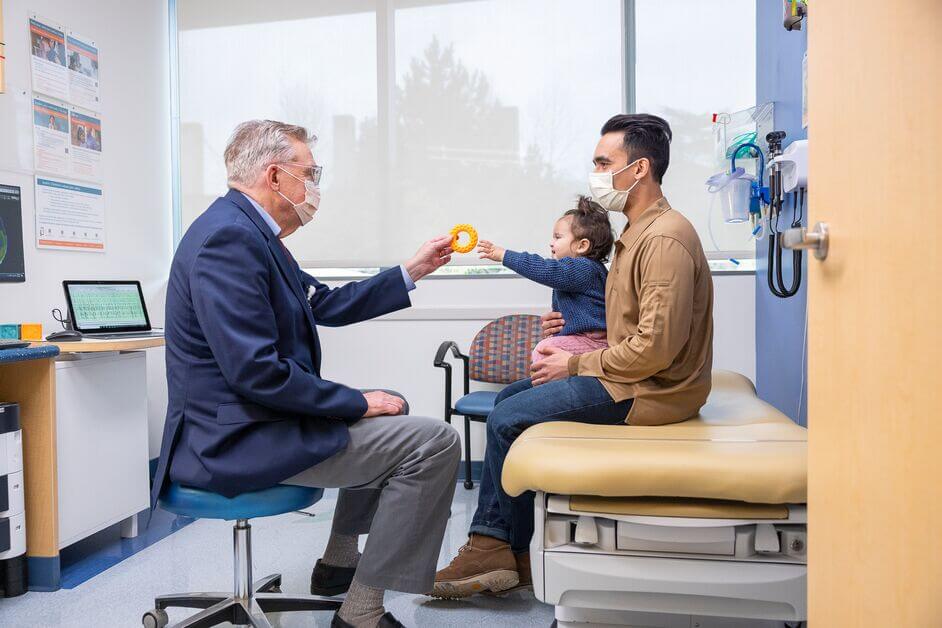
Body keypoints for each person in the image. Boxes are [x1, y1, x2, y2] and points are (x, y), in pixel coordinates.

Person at [151, 120, 461, 628]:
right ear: (275, 176)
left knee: (394, 402)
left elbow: (325, 302)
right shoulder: (229, 239)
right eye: (310, 174)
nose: (315, 187)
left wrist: (412, 270)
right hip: (232, 440)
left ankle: (339, 562)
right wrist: (356, 403)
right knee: (434, 442)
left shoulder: (250, 232)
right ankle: (360, 613)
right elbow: (256, 373)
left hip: (251, 420)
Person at [432, 113, 715, 599]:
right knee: (507, 402)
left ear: (640, 169)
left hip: (652, 392)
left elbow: (656, 349)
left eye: (605, 163)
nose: (597, 173)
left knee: (508, 418)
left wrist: (573, 362)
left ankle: (490, 545)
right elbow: (623, 322)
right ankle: (513, 551)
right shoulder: (636, 235)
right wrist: (571, 328)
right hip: (630, 376)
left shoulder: (664, 239)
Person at [476, 195, 613, 365]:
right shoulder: (575, 271)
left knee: (544, 351)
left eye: (558, 237)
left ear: (582, 246)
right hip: (583, 338)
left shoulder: (584, 268)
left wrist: (504, 255)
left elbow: (546, 270)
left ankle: (555, 388)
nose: (551, 243)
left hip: (594, 342)